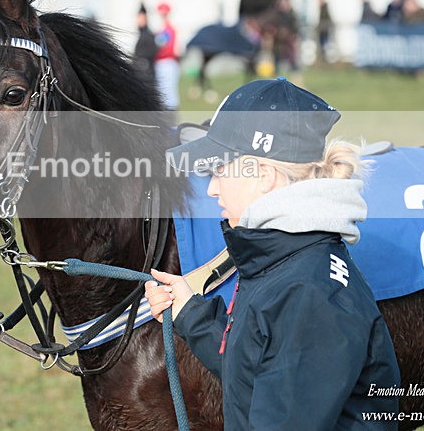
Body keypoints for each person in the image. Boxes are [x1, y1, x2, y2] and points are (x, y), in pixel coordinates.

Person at [145, 77, 400, 429]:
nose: (214, 188)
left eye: (220, 170)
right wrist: (190, 312)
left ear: (264, 175)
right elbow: (257, 366)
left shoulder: (308, 294)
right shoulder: (283, 260)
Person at [154, 2, 180, 116]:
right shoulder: (162, 29)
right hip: (161, 63)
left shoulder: (169, 29)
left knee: (169, 93)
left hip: (167, 62)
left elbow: (165, 48)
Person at [133, 2, 157, 83]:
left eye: (141, 18)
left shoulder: (148, 35)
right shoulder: (142, 34)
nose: (138, 21)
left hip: (145, 73)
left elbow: (151, 52)